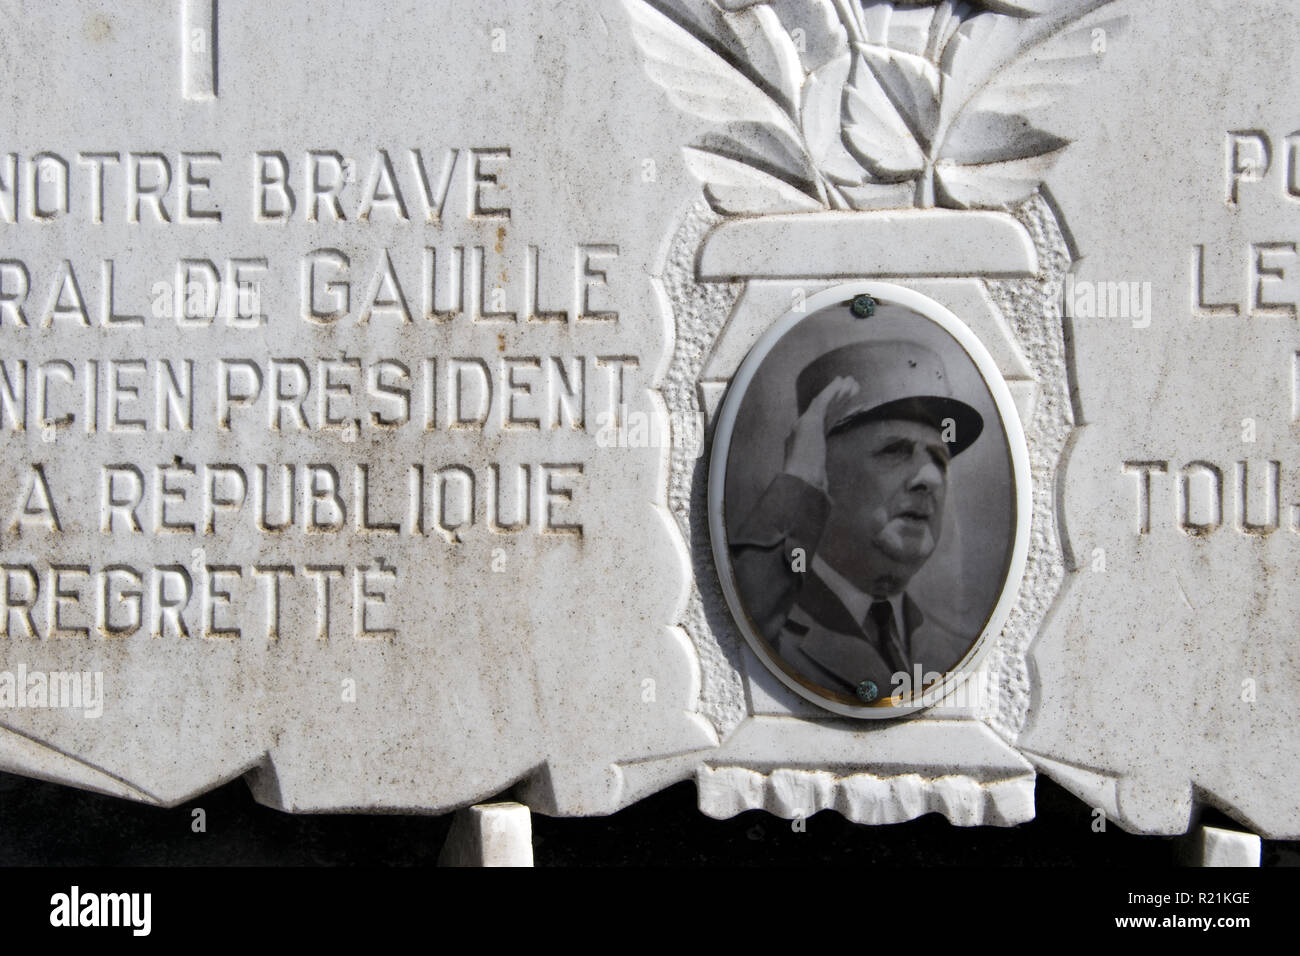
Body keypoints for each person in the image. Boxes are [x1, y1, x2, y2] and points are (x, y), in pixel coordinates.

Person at [729, 329, 984, 704]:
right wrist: (799, 479)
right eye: (895, 451)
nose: (929, 478)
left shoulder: (957, 650)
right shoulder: (764, 625)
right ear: (822, 469)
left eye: (939, 458)